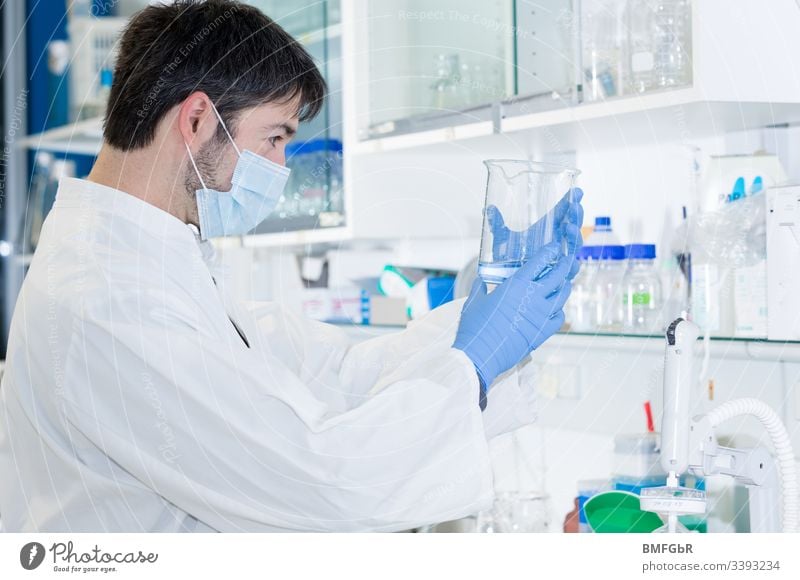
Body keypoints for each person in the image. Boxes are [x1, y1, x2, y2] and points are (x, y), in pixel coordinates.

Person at [0, 0, 583, 532]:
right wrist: (474, 363)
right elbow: (320, 476)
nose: (282, 165)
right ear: (197, 119)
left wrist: (470, 324)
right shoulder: (108, 297)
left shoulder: (157, 263)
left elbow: (333, 375)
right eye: (275, 137)